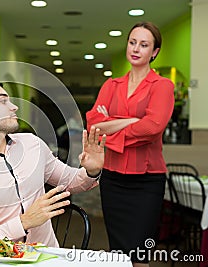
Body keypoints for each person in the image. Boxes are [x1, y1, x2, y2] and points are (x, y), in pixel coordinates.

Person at [0, 79, 106, 247]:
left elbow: (69, 181)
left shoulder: (33, 144)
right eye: (3, 101)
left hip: (49, 257)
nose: (14, 107)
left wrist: (91, 171)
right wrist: (23, 223)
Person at [86, 21, 174, 266]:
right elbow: (93, 125)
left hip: (146, 181)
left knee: (139, 255)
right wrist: (131, 120)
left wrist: (110, 124)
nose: (136, 49)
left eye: (144, 45)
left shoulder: (162, 86)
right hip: (113, 179)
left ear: (154, 52)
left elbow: (153, 127)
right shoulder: (111, 85)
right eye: (132, 42)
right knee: (118, 253)